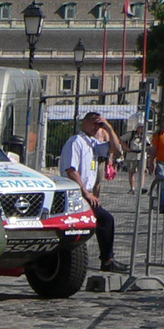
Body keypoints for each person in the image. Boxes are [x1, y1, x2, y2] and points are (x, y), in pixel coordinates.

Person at [60, 111, 121, 272]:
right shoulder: (76, 142)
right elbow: (71, 170)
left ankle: (107, 260)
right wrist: (86, 193)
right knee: (104, 220)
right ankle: (106, 260)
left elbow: (116, 148)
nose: (96, 127)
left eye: (98, 124)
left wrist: (108, 128)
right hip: (76, 193)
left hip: (86, 193)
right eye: (94, 123)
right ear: (84, 123)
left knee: (103, 222)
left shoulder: (92, 143)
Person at [153, 115, 164, 215]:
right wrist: (151, 162)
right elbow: (154, 149)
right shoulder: (159, 134)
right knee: (162, 184)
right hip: (161, 163)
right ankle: (162, 207)